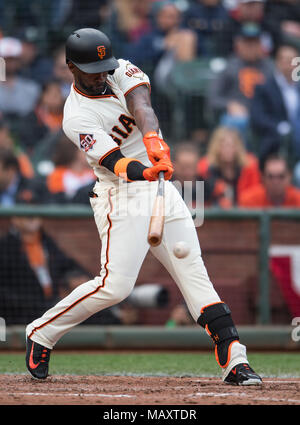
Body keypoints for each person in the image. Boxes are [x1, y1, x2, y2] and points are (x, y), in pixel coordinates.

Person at [25, 28, 262, 386]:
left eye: (104, 66)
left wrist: (152, 141)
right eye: (92, 68)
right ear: (71, 67)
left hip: (161, 187)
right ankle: (41, 332)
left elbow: (143, 107)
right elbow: (113, 161)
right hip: (119, 191)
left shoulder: (120, 69)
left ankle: (234, 357)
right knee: (115, 287)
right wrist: (145, 168)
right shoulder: (75, 116)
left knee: (192, 269)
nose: (101, 74)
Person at [0, 212, 90, 325]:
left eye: (33, 211)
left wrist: (77, 277)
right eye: (26, 212)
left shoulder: (46, 241)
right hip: (21, 315)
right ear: (14, 219)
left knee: (95, 311)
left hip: (51, 308)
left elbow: (67, 265)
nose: (31, 217)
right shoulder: (5, 246)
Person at [207, 23, 273, 140]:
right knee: (236, 122)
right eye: (247, 43)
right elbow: (213, 97)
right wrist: (230, 104)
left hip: (264, 114)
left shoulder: (270, 67)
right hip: (238, 116)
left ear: (261, 45)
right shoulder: (230, 66)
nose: (251, 47)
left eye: (255, 43)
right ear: (239, 45)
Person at [250, 44, 300, 165]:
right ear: (278, 62)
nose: (291, 65)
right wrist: (278, 127)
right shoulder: (264, 87)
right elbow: (258, 117)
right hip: (275, 141)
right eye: (287, 60)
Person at [198, 127, 261, 207]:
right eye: (223, 146)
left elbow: (255, 194)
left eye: (231, 146)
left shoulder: (249, 168)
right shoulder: (207, 170)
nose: (228, 150)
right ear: (216, 148)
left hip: (245, 212)